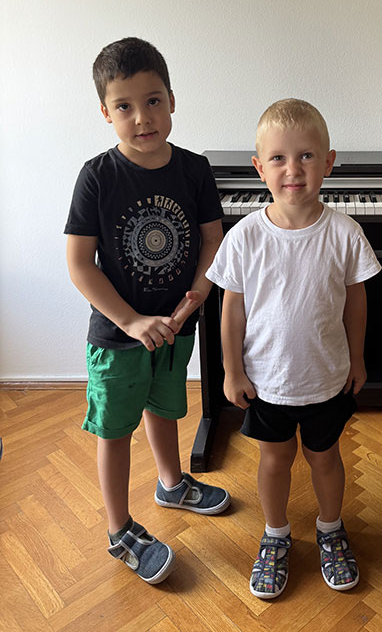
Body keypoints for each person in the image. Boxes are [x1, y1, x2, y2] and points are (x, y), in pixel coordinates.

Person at [65, 37, 231, 585]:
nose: (142, 117)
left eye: (154, 101)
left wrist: (197, 296)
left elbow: (212, 241)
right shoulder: (97, 176)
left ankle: (172, 483)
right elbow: (80, 265)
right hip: (119, 335)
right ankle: (119, 531)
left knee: (165, 408)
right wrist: (131, 321)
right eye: (125, 106)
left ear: (172, 100)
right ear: (105, 112)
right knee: (115, 429)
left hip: (177, 322)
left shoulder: (194, 169)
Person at [205, 99, 381, 599]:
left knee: (326, 458)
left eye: (306, 156)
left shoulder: (345, 233)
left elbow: (356, 302)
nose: (293, 169)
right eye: (278, 158)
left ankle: (331, 528)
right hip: (267, 382)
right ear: (259, 167)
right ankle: (276, 534)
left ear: (328, 162)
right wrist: (231, 370)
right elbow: (232, 309)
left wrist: (358, 358)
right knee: (274, 459)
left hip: (326, 377)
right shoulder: (244, 237)